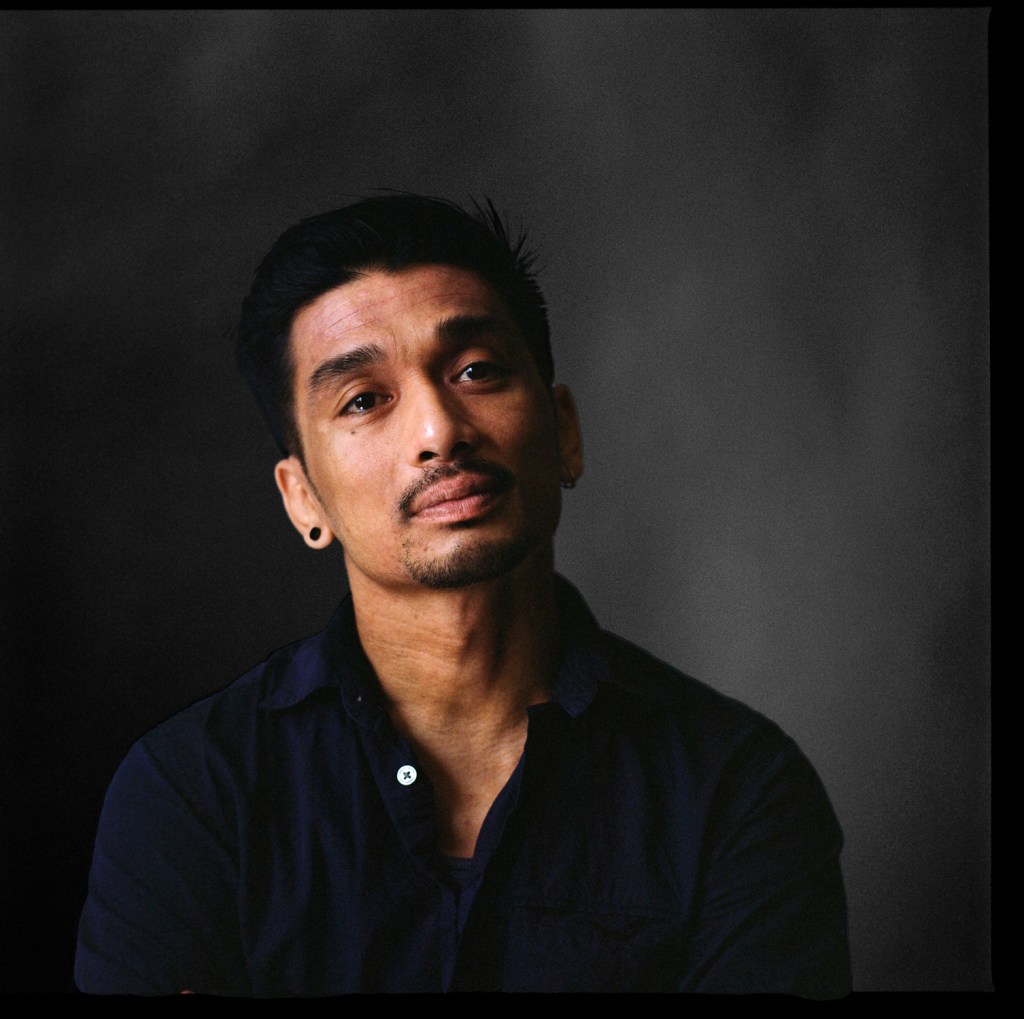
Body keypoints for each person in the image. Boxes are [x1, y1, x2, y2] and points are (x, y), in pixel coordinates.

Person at [75, 194, 851, 995]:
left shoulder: (735, 789)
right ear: (302, 497)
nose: (439, 430)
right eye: (364, 399)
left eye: (476, 370)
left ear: (565, 432)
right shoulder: (193, 791)